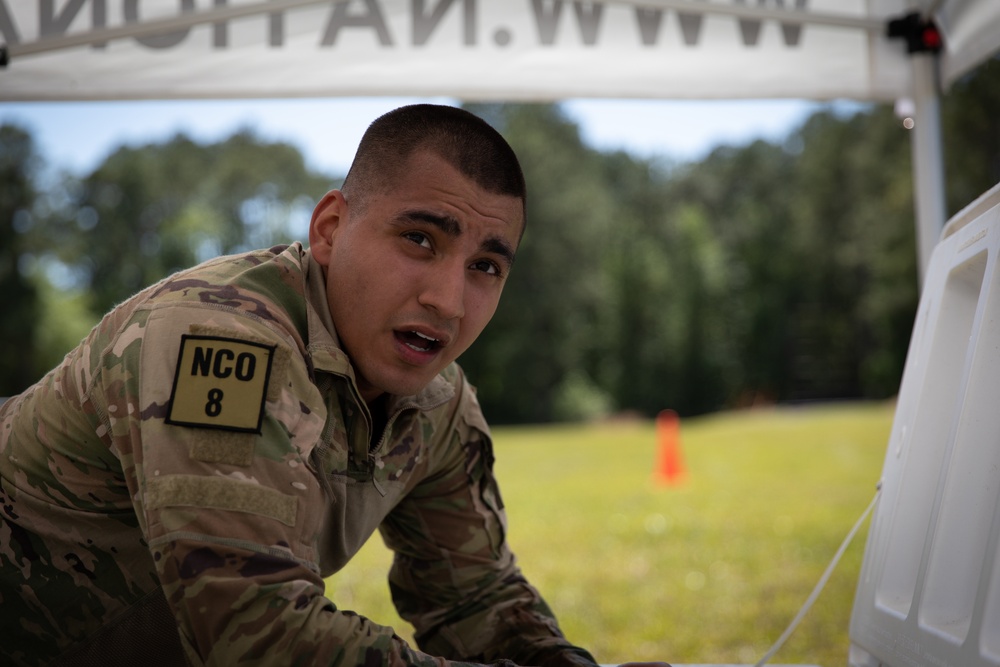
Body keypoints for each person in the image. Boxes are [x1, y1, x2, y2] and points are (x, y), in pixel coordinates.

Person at [0, 104, 667, 667]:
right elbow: (252, 627)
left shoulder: (436, 400)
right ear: (329, 228)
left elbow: (473, 597)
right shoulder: (218, 340)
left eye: (486, 265)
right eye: (419, 239)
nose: (448, 300)